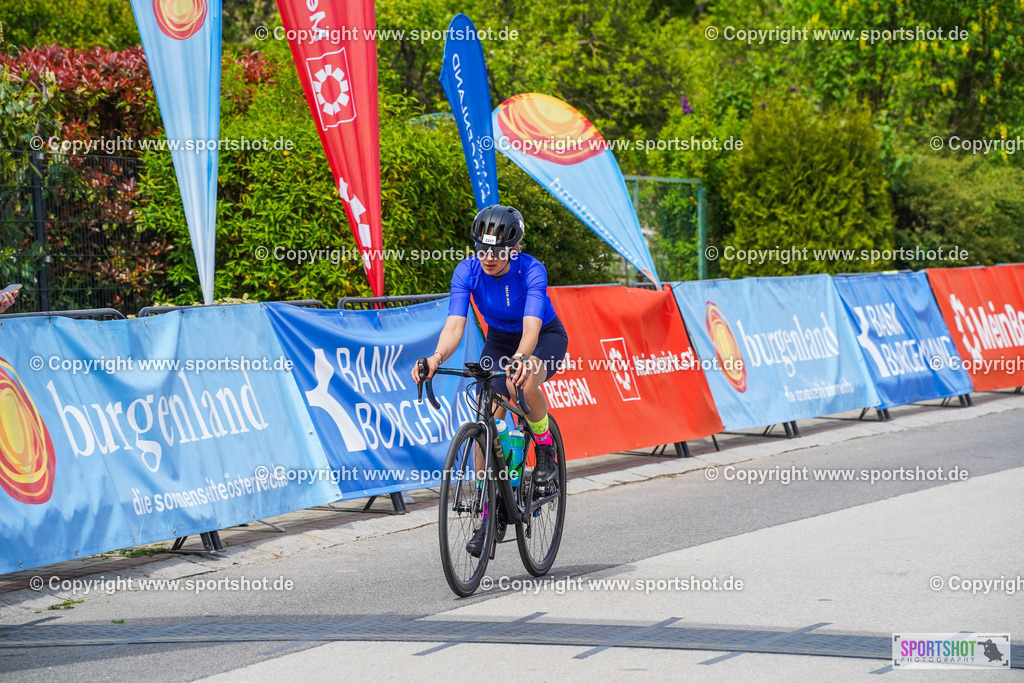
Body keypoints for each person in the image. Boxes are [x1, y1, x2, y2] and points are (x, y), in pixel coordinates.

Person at [411, 204, 569, 557]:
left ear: (514, 249)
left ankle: (544, 446)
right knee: (487, 417)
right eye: (482, 250)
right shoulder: (467, 271)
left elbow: (531, 327)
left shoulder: (532, 270)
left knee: (521, 382)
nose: (489, 258)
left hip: (543, 337)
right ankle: (489, 512)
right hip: (498, 340)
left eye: (497, 252)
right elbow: (455, 325)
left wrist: (522, 359)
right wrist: (435, 358)